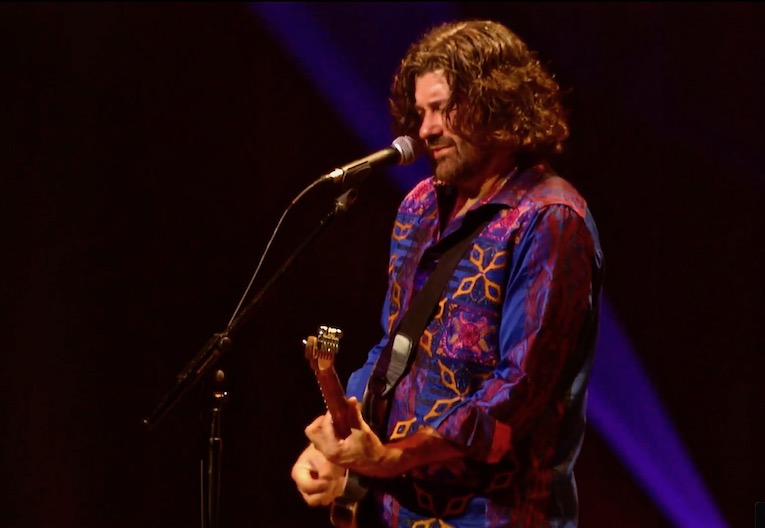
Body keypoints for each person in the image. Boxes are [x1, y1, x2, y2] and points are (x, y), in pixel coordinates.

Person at [291, 19, 604, 528]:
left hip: (496, 516)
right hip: (396, 511)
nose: (426, 129)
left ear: (498, 103)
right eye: (421, 112)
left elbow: (516, 397)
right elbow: (393, 348)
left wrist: (394, 457)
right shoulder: (418, 207)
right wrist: (340, 444)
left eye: (442, 109)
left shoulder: (550, 220)